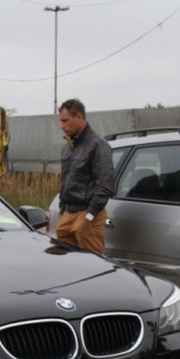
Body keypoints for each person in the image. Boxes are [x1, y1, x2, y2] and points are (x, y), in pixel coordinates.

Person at [55, 98, 114, 253]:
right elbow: (65, 181)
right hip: (67, 213)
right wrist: (62, 211)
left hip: (87, 213)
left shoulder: (97, 145)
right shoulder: (67, 148)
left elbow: (105, 185)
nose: (62, 126)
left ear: (79, 117)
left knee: (93, 266)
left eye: (65, 121)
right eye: (60, 122)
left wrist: (89, 216)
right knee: (66, 267)